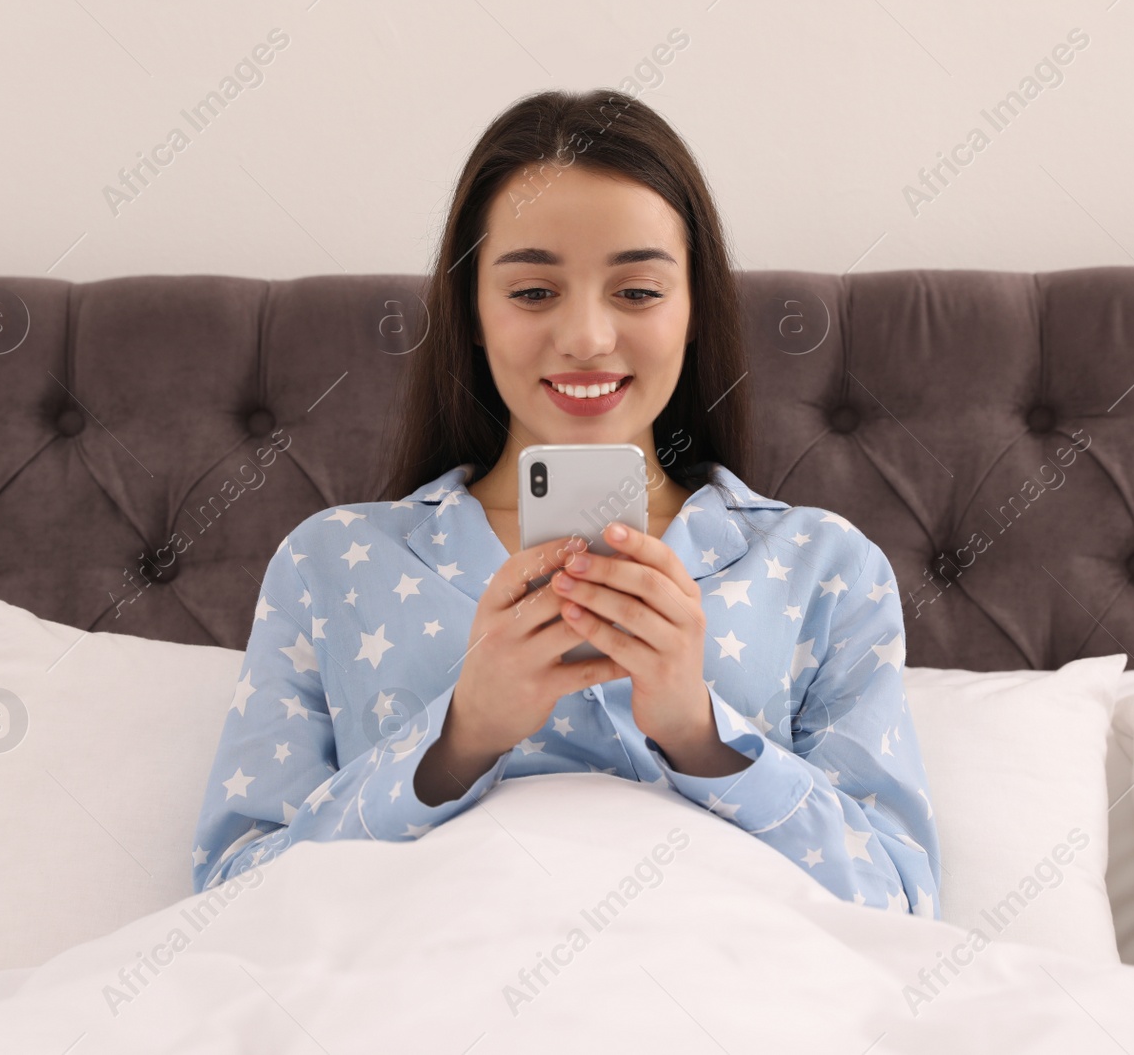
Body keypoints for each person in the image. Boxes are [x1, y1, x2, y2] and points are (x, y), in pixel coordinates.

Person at [191, 89, 940, 915]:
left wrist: (702, 735)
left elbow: (902, 904)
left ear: (695, 310)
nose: (586, 335)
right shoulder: (331, 565)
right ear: (472, 310)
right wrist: (458, 738)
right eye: (534, 292)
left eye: (639, 291)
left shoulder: (822, 568)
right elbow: (230, 903)